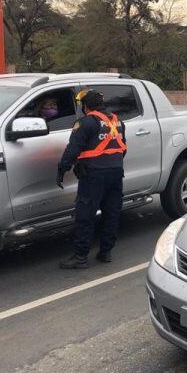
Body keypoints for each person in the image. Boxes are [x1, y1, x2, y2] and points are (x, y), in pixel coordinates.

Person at [56, 90, 126, 269]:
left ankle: (80, 257)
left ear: (85, 106)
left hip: (94, 175)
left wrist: (63, 168)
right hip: (116, 172)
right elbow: (122, 149)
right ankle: (106, 252)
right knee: (111, 213)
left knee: (85, 215)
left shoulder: (85, 123)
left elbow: (73, 149)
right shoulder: (117, 122)